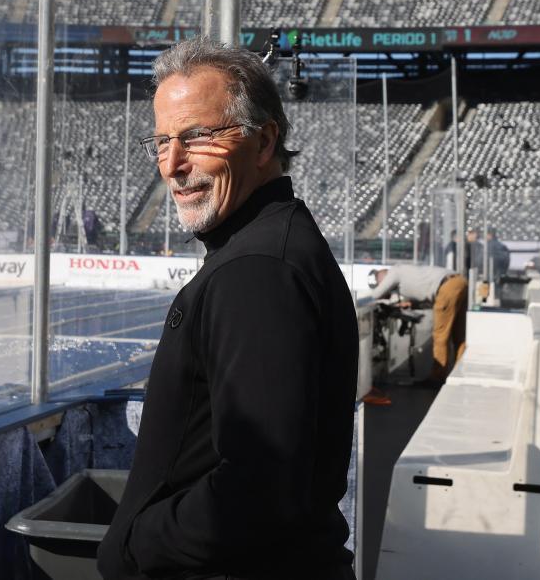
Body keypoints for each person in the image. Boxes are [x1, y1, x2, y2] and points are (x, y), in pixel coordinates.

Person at [98, 39, 358, 580]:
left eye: (196, 136)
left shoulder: (257, 271)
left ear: (263, 143)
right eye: (163, 141)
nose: (172, 165)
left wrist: (135, 546)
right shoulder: (265, 248)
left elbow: (260, 485)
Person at [368, 263, 468, 384]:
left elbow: (375, 295)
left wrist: (362, 300)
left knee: (440, 336)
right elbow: (429, 296)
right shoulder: (405, 272)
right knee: (458, 335)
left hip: (447, 287)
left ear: (382, 279)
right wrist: (412, 304)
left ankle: (437, 377)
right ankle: (461, 372)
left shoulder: (394, 272)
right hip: (459, 282)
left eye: (380, 284)